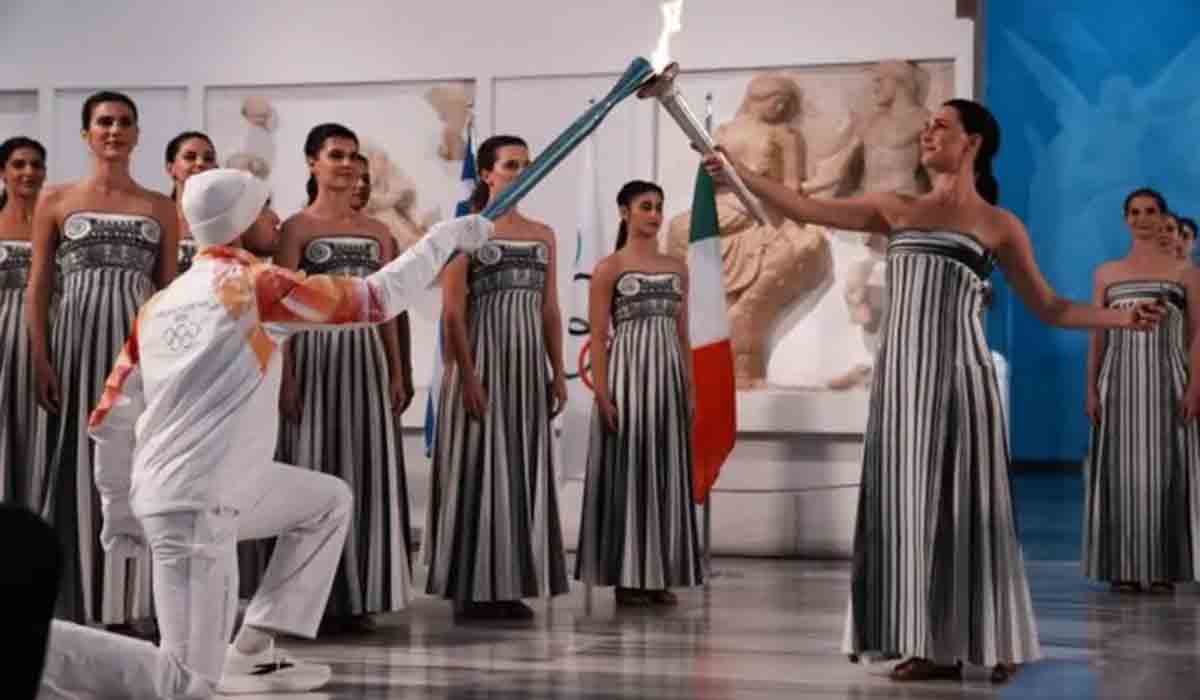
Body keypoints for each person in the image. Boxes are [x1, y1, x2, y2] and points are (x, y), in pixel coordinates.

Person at [702, 99, 1165, 682]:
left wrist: (1121, 318)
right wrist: (736, 172)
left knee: (971, 509)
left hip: (962, 379)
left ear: (972, 143)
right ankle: (927, 644)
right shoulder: (894, 207)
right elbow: (804, 206)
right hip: (902, 383)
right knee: (910, 509)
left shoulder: (998, 226)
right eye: (926, 126)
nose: (927, 133)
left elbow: (1050, 306)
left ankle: (991, 636)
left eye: (940, 126)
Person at [36, 168, 492, 697]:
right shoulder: (253, 286)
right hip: (197, 505)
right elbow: (374, 299)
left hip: (200, 490)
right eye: (264, 209)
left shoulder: (161, 303)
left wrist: (118, 508)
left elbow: (110, 416)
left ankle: (250, 649)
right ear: (240, 221)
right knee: (187, 685)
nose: (276, 218)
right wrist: (443, 240)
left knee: (327, 502)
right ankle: (42, 649)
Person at [27, 90, 178, 629]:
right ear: (87, 133)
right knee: (73, 466)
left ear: (137, 134)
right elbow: (40, 285)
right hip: (74, 352)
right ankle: (74, 601)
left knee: (136, 465)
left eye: (124, 122)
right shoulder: (56, 199)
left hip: (138, 356)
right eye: (104, 122)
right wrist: (41, 358)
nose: (114, 130)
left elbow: (169, 291)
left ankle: (129, 603)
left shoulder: (160, 207)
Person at [275, 124, 415, 633]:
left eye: (353, 156)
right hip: (314, 358)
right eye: (336, 155)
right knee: (312, 469)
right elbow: (279, 307)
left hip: (366, 359)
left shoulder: (379, 233)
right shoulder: (295, 229)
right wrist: (285, 377)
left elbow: (386, 306)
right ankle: (310, 602)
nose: (347, 164)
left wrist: (397, 370)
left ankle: (361, 594)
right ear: (312, 162)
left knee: (366, 472)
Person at [424, 134, 569, 620]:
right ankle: (469, 586)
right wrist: (468, 377)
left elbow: (550, 309)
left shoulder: (543, 234)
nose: (521, 172)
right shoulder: (463, 232)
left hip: (525, 370)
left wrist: (557, 372)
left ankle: (509, 584)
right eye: (510, 165)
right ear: (486, 173)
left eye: (527, 164)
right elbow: (451, 313)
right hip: (482, 362)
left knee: (518, 468)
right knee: (477, 467)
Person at [575, 180, 703, 606]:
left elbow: (683, 334)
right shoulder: (609, 268)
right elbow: (598, 335)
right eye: (645, 206)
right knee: (630, 469)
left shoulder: (677, 267)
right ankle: (628, 577)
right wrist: (603, 393)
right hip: (628, 377)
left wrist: (690, 387)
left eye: (658, 207)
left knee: (665, 470)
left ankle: (658, 573)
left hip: (668, 378)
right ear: (624, 212)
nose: (654, 214)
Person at [1083, 189, 1200, 594]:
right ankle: (1123, 566)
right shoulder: (1106, 273)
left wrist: (1195, 385)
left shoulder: (1186, 272)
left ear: (1163, 217)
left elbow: (1196, 333)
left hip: (1169, 380)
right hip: (1118, 382)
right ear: (1125, 219)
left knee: (1167, 471)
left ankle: (1165, 566)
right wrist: (1091, 388)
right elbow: (1097, 333)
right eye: (1134, 212)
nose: (1142, 218)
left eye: (1150, 211)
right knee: (1121, 472)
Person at [0, 136, 48, 507]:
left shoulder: (57, 225)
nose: (28, 172)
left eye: (35, 165)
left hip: (49, 342)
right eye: (19, 165)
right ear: (3, 172)